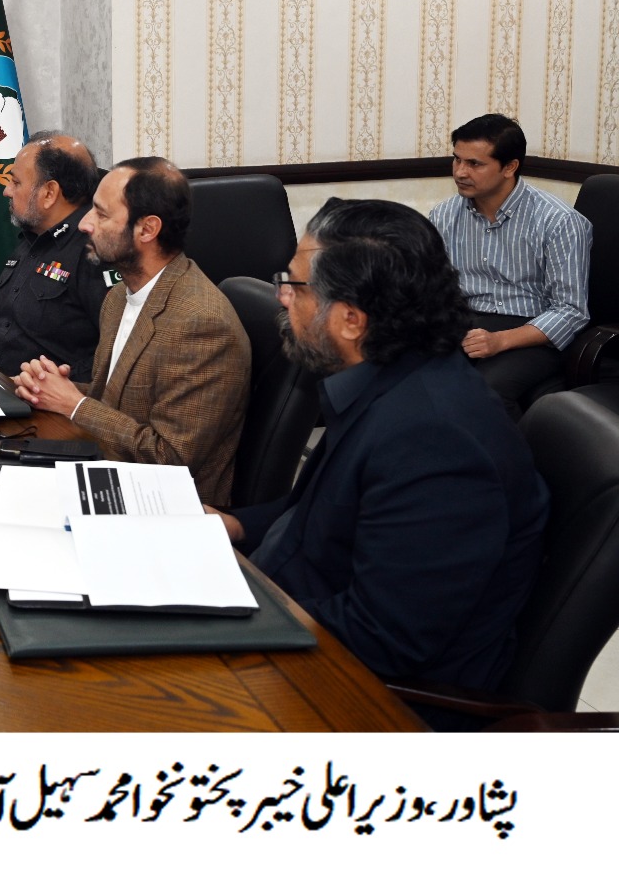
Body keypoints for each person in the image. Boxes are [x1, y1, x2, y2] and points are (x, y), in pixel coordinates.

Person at [212, 199, 548, 714]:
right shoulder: (390, 380)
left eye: (295, 285)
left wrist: (230, 608)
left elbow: (383, 637)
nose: (282, 295)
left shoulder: (436, 442)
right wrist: (233, 526)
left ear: (351, 320)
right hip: (296, 632)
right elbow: (326, 512)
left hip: (364, 698)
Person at [14, 157, 249, 505]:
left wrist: (74, 404)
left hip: (166, 505)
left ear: (147, 229)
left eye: (101, 214)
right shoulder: (118, 297)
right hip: (108, 472)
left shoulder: (201, 324)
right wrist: (50, 388)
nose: (85, 225)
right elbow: (117, 400)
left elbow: (171, 459)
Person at [430, 113, 592, 419]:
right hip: (466, 321)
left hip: (532, 330)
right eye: (457, 159)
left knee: (483, 391)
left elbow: (571, 311)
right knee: (411, 374)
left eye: (474, 163)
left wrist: (500, 340)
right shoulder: (444, 215)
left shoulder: (559, 221)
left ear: (509, 167)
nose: (460, 172)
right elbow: (434, 287)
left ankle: (515, 452)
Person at [0, 131, 108, 376]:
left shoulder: (95, 252)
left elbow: (112, 355)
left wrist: (51, 383)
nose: (6, 191)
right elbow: (1, 321)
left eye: (16, 182)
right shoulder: (32, 236)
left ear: (49, 193)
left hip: (37, 394)